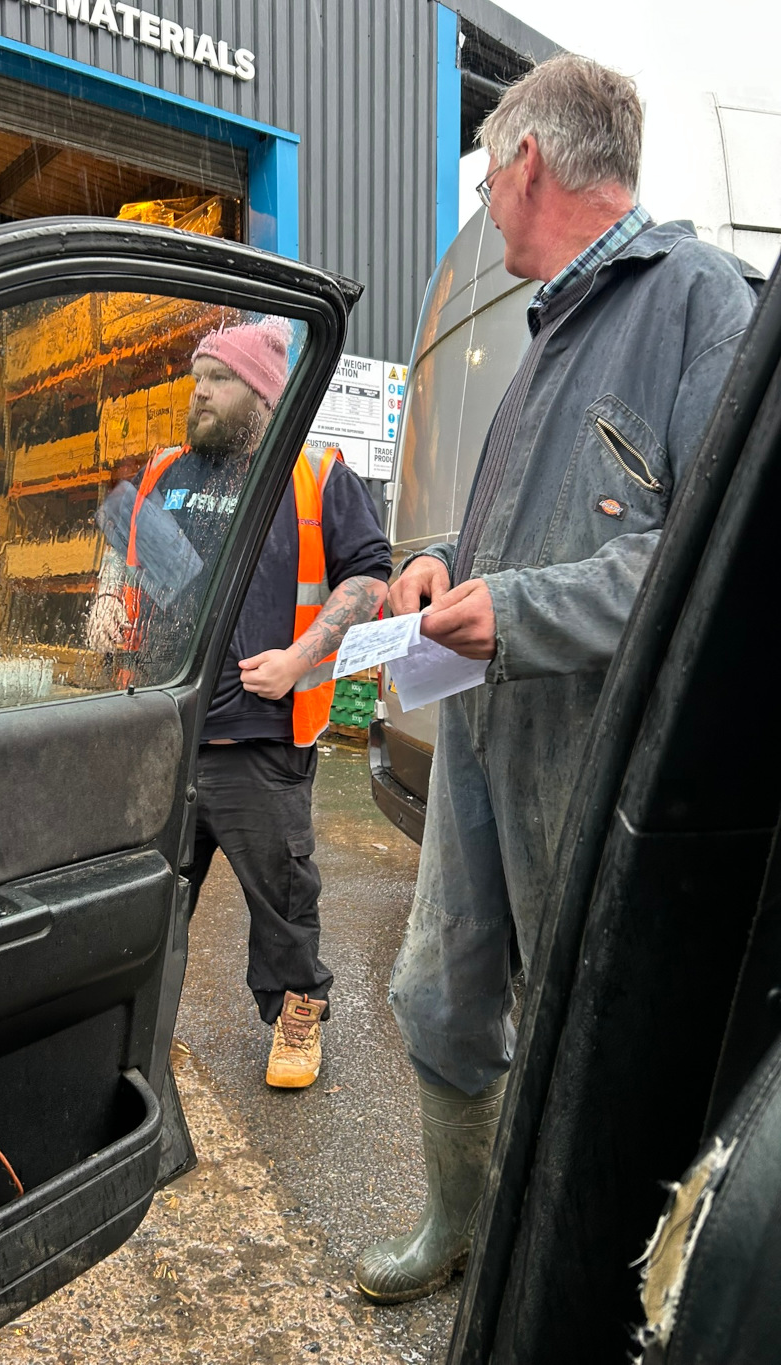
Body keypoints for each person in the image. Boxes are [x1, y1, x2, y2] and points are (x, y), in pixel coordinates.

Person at [355, 53, 761, 1303]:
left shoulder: (698, 301)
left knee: (575, 1031)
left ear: (527, 159)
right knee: (435, 992)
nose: (483, 205)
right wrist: (433, 570)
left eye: (484, 179)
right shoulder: (547, 332)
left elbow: (709, 569)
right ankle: (457, 1228)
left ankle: (555, 1268)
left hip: (584, 760)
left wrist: (516, 608)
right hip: (484, 735)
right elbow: (514, 538)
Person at [116, 319, 391, 1088]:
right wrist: (111, 607)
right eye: (196, 374)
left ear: (263, 393)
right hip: (167, 734)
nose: (199, 389)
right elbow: (131, 566)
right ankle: (141, 1029)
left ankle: (297, 1011)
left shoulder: (316, 472)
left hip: (262, 738)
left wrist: (303, 658)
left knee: (282, 896)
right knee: (153, 902)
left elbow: (371, 577)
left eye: (219, 377)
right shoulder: (166, 470)